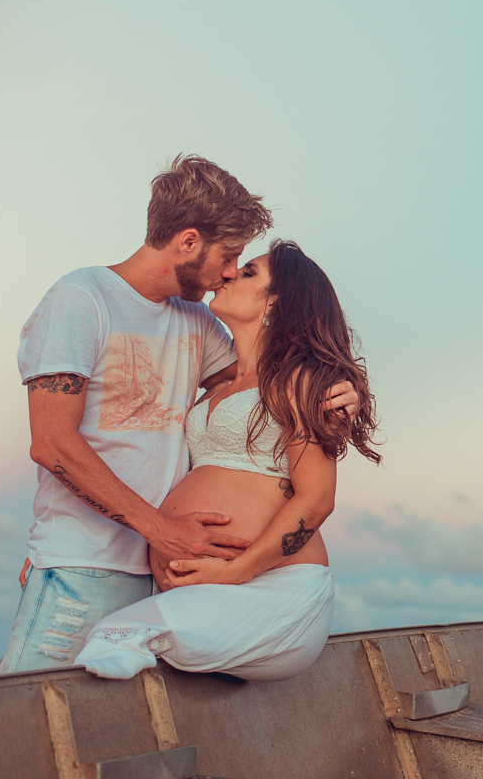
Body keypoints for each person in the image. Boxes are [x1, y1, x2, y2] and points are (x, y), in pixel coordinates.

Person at [0, 157, 358, 673]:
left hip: (173, 575)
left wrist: (343, 392)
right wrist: (159, 532)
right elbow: (52, 444)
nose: (231, 271)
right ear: (188, 242)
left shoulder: (198, 321)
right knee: (26, 721)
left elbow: (275, 382)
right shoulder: (81, 300)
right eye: (231, 255)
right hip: (87, 561)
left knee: (109, 733)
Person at [75, 240, 380, 681]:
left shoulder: (301, 381)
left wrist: (235, 570)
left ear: (276, 302)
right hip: (217, 588)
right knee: (123, 639)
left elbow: (316, 500)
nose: (233, 273)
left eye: (250, 271)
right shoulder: (218, 387)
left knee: (116, 634)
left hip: (275, 590)